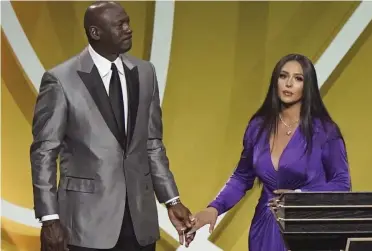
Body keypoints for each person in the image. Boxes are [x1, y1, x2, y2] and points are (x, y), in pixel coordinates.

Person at [30, 2, 194, 251]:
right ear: (96, 33)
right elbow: (44, 152)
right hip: (86, 226)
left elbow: (152, 144)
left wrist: (172, 199)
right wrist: (49, 218)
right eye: (120, 25)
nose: (129, 29)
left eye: (128, 22)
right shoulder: (61, 80)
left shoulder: (145, 72)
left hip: (140, 222)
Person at [187, 54, 351, 250]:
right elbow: (242, 177)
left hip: (306, 231)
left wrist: (299, 197)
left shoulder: (325, 131)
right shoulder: (258, 127)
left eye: (298, 79)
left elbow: (342, 183)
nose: (289, 83)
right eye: (283, 76)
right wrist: (214, 208)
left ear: (307, 87)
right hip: (264, 230)